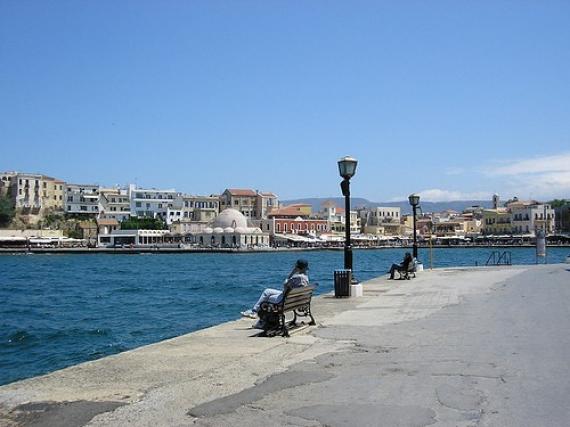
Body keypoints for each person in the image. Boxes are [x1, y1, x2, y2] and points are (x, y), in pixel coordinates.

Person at [241, 259, 309, 319]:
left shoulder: (296, 277)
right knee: (267, 291)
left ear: (297, 267)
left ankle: (259, 316)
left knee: (268, 298)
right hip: (294, 300)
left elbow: (285, 285)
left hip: (285, 300)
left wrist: (291, 273)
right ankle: (254, 311)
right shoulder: (305, 277)